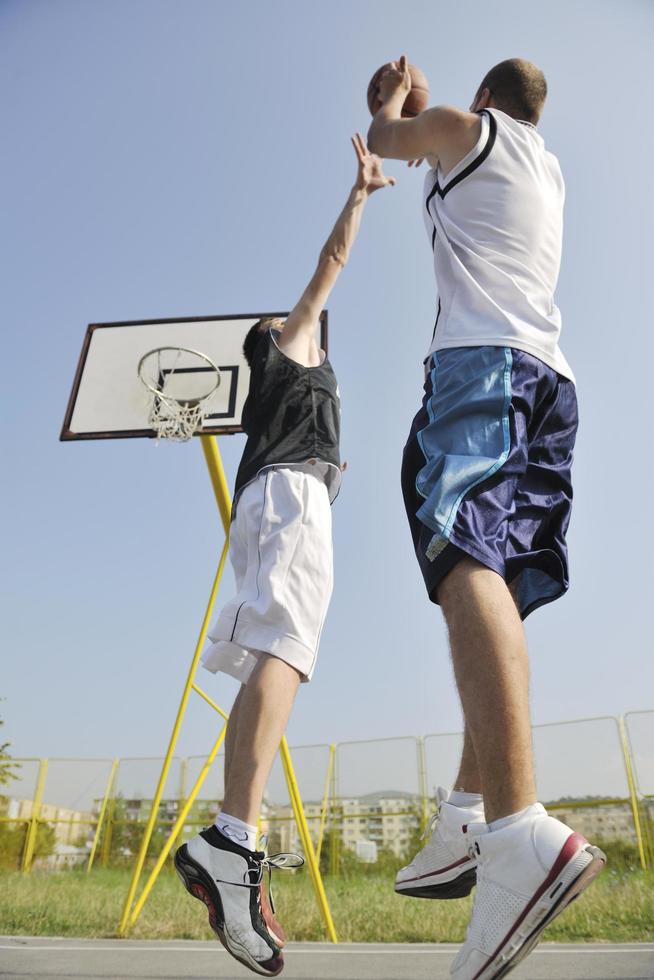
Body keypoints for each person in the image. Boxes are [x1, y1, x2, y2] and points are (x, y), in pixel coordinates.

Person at [368, 57, 605, 979]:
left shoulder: (468, 133)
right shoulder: (543, 165)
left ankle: (516, 830)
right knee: (496, 580)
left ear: (487, 99)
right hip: (549, 380)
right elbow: (449, 141)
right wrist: (437, 107)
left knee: (458, 551)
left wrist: (390, 101)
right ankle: (470, 815)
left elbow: (391, 140)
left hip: (482, 368)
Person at [174, 134, 395, 978]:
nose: (300, 318)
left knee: (278, 652)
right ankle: (234, 838)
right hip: (288, 499)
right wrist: (364, 189)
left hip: (285, 498)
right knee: (286, 652)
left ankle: (236, 835)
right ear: (277, 337)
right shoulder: (288, 345)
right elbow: (332, 259)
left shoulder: (289, 393)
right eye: (288, 319)